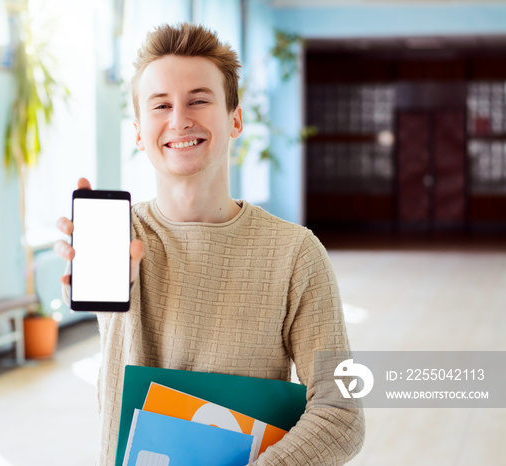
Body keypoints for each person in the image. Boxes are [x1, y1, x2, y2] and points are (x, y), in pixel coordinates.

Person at [55, 22, 364, 465]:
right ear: (139, 132)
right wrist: (89, 280)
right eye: (160, 105)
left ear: (235, 119)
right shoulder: (119, 238)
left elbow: (342, 411)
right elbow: (91, 304)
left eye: (198, 100)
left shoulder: (295, 253)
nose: (180, 119)